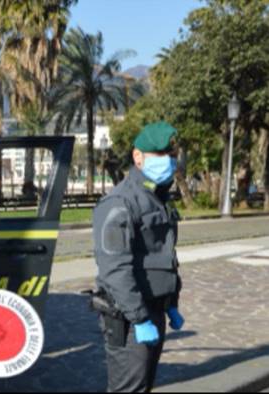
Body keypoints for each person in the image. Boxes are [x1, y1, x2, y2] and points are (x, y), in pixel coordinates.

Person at [92, 121, 185, 393]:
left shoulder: (156, 198)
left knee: (144, 385)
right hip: (129, 317)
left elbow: (162, 256)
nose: (167, 162)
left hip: (153, 309)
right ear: (138, 157)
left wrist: (171, 304)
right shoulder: (120, 203)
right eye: (160, 156)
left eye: (171, 156)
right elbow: (114, 269)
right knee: (129, 388)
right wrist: (140, 318)